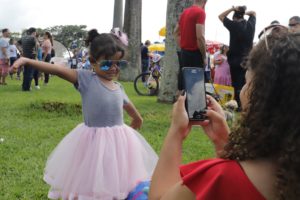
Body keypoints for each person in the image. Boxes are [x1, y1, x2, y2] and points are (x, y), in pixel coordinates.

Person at [149, 27, 299, 199]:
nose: (242, 90)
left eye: (246, 82)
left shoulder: (220, 178)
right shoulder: (289, 174)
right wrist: (224, 144)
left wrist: (176, 132)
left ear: (260, 96)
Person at [11, 29, 158, 199]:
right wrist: (26, 60)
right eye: (106, 64)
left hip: (120, 142)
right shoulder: (86, 79)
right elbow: (55, 70)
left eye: (119, 64)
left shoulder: (118, 87)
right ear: (92, 62)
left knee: (116, 173)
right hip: (93, 142)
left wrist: (137, 118)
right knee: (93, 175)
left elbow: (127, 104)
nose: (113, 68)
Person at [218, 6, 256, 110]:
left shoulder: (234, 25)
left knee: (236, 84)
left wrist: (232, 8)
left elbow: (221, 16)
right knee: (245, 83)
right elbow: (253, 12)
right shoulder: (250, 25)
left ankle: (239, 105)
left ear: (234, 17)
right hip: (247, 60)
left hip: (235, 60)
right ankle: (246, 104)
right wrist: (244, 12)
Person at [174, 0, 207, 91]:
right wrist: (204, 56)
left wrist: (182, 45)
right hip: (195, 54)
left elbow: (176, 32)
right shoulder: (200, 12)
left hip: (184, 53)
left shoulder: (185, 12)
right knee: (195, 87)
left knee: (183, 84)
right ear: (205, 2)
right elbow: (200, 37)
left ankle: (180, 104)